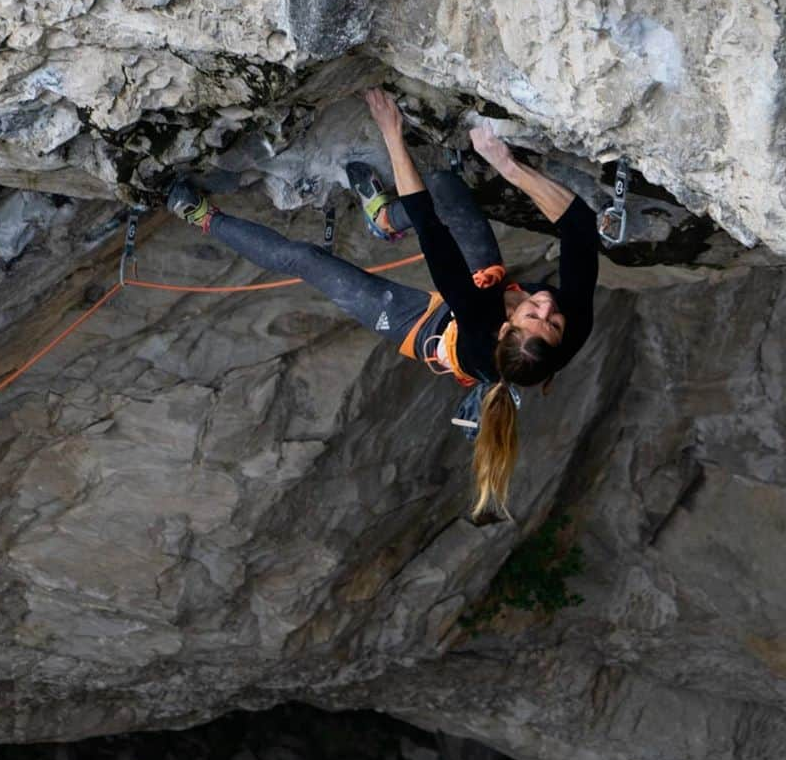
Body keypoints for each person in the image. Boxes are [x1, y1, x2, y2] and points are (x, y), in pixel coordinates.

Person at [167, 87, 601, 521]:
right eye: (550, 319)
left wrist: (391, 133)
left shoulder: (477, 318)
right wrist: (507, 165)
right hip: (488, 284)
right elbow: (579, 226)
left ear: (506, 327)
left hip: (425, 327)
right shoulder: (571, 326)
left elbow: (433, 233)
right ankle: (384, 219)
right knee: (444, 185)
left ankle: (204, 217)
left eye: (535, 315)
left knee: (307, 260)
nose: (546, 304)